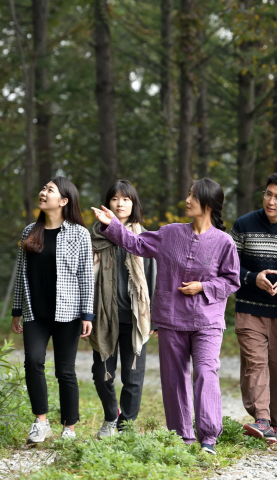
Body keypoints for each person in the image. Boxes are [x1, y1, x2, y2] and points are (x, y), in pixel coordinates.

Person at [92, 177, 240, 456]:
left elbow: (231, 281)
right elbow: (135, 244)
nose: (187, 199)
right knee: (174, 379)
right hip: (172, 320)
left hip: (207, 322)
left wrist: (204, 287)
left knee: (206, 373)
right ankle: (183, 439)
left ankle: (208, 437)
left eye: (192, 196)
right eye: (188, 193)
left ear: (207, 204)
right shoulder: (170, 233)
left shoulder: (224, 242)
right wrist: (110, 224)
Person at [11, 176, 94, 444]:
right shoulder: (29, 232)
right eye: (43, 188)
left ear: (64, 200)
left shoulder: (79, 234)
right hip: (35, 312)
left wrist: (87, 314)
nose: (42, 192)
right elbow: (21, 272)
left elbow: (85, 276)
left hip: (67, 313)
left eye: (50, 190)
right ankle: (41, 422)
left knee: (64, 370)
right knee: (33, 361)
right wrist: (16, 309)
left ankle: (69, 428)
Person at [229, 172, 277, 445]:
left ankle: (274, 425)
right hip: (249, 308)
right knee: (255, 363)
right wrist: (253, 278)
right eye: (268, 194)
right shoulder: (243, 225)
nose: (271, 201)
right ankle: (261, 418)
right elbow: (229, 266)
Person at [89, 179, 157, 438]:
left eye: (126, 199)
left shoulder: (144, 237)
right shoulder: (95, 236)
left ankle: (126, 426)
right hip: (104, 316)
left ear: (134, 204)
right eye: (115, 198)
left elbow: (154, 280)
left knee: (133, 376)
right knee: (101, 374)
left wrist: (155, 318)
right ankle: (110, 417)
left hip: (135, 317)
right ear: (107, 204)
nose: (120, 203)